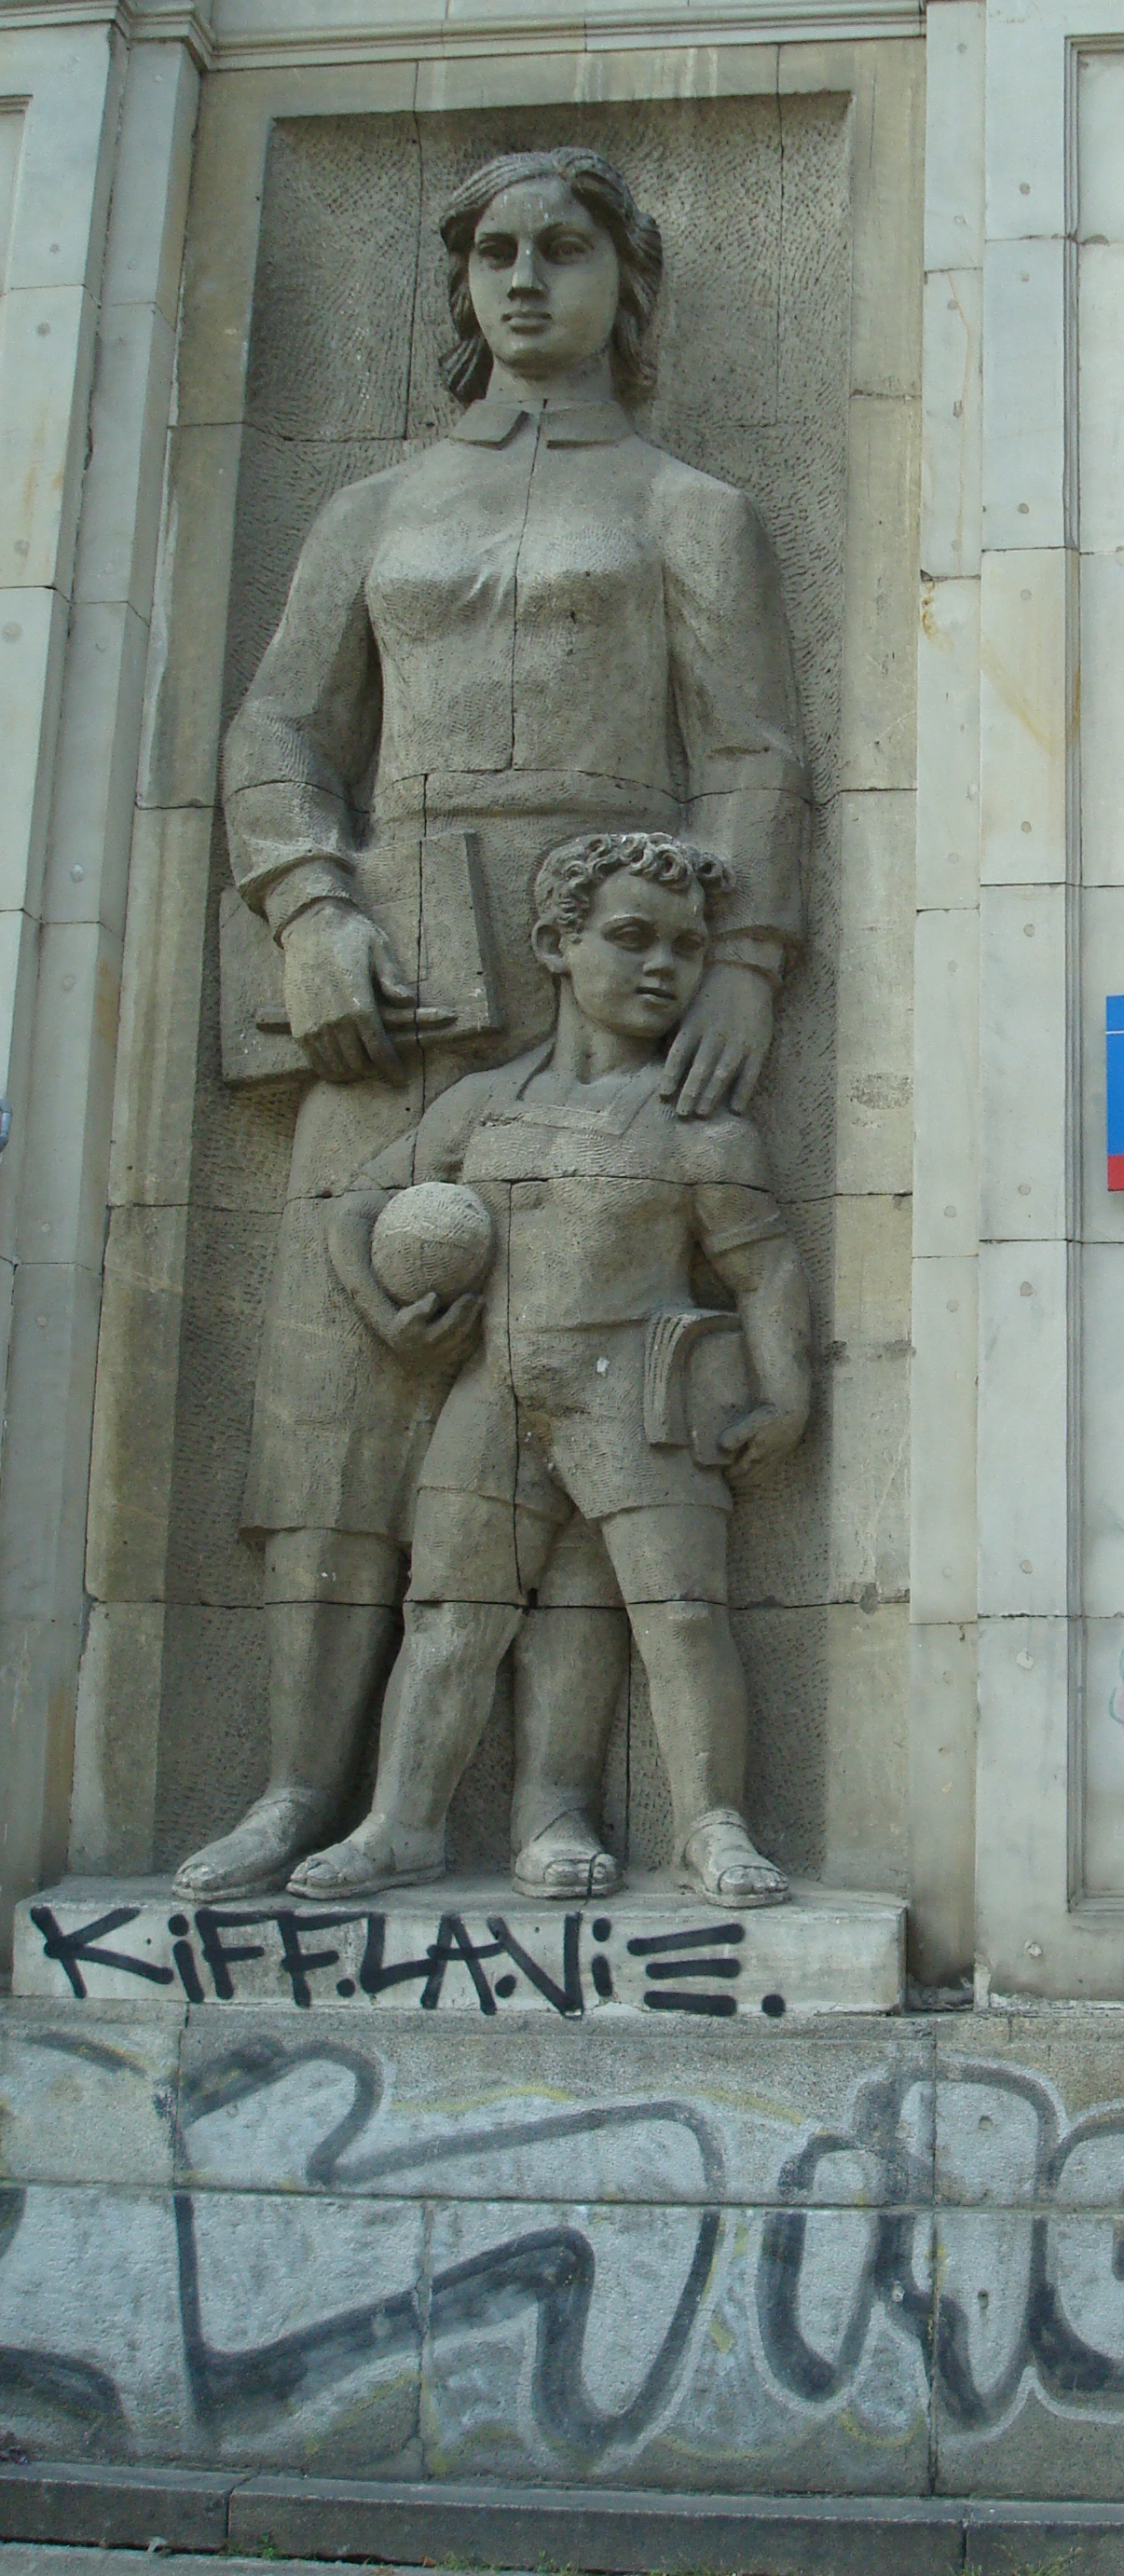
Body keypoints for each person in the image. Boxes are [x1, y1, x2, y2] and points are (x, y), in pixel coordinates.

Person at [176, 147, 808, 1901]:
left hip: (613, 950)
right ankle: (299, 1790)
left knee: (595, 1391)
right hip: (393, 977)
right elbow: (277, 733)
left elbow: (754, 749)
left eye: (563, 249)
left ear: (624, 279)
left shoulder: (688, 508)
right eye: (494, 255)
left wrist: (746, 959)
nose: (524, 280)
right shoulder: (370, 510)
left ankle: (561, 1806)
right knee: (336, 1401)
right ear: (463, 289)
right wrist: (310, 909)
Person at [290, 829, 811, 1907]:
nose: (663, 966)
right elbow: (357, 1208)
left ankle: (710, 1826)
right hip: (494, 1392)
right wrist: (393, 1321)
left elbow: (762, 1269)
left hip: (642, 1396)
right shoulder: (481, 1102)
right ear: (556, 945)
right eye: (632, 937)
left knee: (679, 1617)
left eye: (688, 948)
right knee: (449, 1618)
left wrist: (786, 1396)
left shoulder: (700, 1123)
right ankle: (402, 1825)